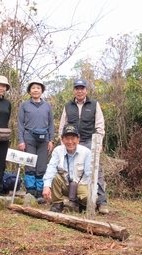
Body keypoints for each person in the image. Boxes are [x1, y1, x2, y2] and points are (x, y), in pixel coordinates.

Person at [58, 78, 109, 214]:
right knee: (72, 170)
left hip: (89, 142)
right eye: (77, 88)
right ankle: (74, 201)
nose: (79, 91)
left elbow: (100, 125)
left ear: (86, 90)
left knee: (94, 172)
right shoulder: (68, 106)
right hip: (72, 142)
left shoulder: (94, 104)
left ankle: (102, 202)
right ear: (74, 90)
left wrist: (99, 143)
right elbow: (62, 126)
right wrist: (62, 142)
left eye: (82, 88)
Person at [17, 78, 55, 202]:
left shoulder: (47, 106)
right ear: (29, 91)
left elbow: (51, 124)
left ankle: (40, 191)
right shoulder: (24, 105)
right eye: (33, 88)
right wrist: (20, 140)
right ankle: (30, 190)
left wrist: (51, 140)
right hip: (29, 137)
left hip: (44, 139)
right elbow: (20, 124)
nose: (36, 90)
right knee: (30, 165)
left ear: (42, 91)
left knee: (41, 166)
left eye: (38, 88)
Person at [42, 124, 91, 213]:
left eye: (73, 138)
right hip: (65, 184)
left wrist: (93, 192)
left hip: (81, 185)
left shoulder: (86, 152)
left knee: (88, 198)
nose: (70, 141)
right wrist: (46, 186)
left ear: (78, 139)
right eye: (67, 138)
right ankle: (57, 203)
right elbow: (51, 168)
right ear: (62, 140)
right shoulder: (57, 151)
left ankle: (82, 204)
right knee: (54, 177)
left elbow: (89, 174)